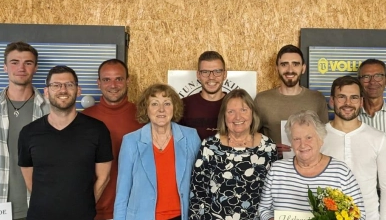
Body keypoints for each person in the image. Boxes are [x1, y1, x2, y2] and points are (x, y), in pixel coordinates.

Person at [18, 66, 113, 220]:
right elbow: (29, 179)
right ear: (46, 92)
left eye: (69, 85)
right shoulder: (29, 133)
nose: (63, 90)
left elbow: (104, 177)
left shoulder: (97, 130)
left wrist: (84, 204)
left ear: (78, 90)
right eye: (56, 85)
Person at [114, 83, 201, 220]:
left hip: (183, 216)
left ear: (174, 107)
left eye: (167, 103)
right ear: (146, 109)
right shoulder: (131, 141)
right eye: (154, 104)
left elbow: (200, 184)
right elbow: (122, 192)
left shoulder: (190, 137)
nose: (161, 110)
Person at [258, 110, 366, 220]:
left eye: (309, 137)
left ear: (321, 139)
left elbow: (359, 215)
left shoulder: (341, 172)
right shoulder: (277, 170)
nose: (303, 144)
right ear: (291, 142)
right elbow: (263, 209)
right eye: (296, 139)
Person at [189, 89, 278, 220]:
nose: (238, 117)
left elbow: (275, 193)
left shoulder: (268, 147)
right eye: (231, 111)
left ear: (252, 113)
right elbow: (198, 194)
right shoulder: (209, 147)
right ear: (224, 116)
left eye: (243, 110)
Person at [321, 75, 386, 220]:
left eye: (354, 97)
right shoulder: (318, 137)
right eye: (341, 97)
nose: (347, 103)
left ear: (361, 101)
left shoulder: (378, 138)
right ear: (332, 100)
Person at [82, 59, 143, 220]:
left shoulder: (144, 117)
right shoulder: (84, 118)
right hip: (94, 210)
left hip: (134, 210)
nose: (113, 85)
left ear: (128, 81)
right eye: (107, 79)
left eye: (119, 79)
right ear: (98, 83)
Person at [0, 41, 49, 220]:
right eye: (14, 62)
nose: (21, 68)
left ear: (35, 68)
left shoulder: (50, 109)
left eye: (28, 63)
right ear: (4, 67)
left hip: (37, 206)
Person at [254, 44, 328, 159]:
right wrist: (268, 147)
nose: (290, 70)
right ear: (276, 68)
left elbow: (325, 138)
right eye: (284, 64)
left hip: (309, 168)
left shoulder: (317, 98)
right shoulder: (262, 99)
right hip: (273, 167)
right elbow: (249, 137)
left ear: (303, 68)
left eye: (295, 64)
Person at [356, 59, 386, 220]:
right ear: (359, 82)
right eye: (366, 77)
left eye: (378, 76)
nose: (372, 82)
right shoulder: (349, 119)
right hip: (360, 197)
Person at [180, 51, 227, 139]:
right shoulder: (183, 105)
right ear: (198, 75)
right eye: (205, 72)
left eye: (217, 71)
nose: (211, 77)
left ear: (225, 74)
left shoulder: (237, 106)